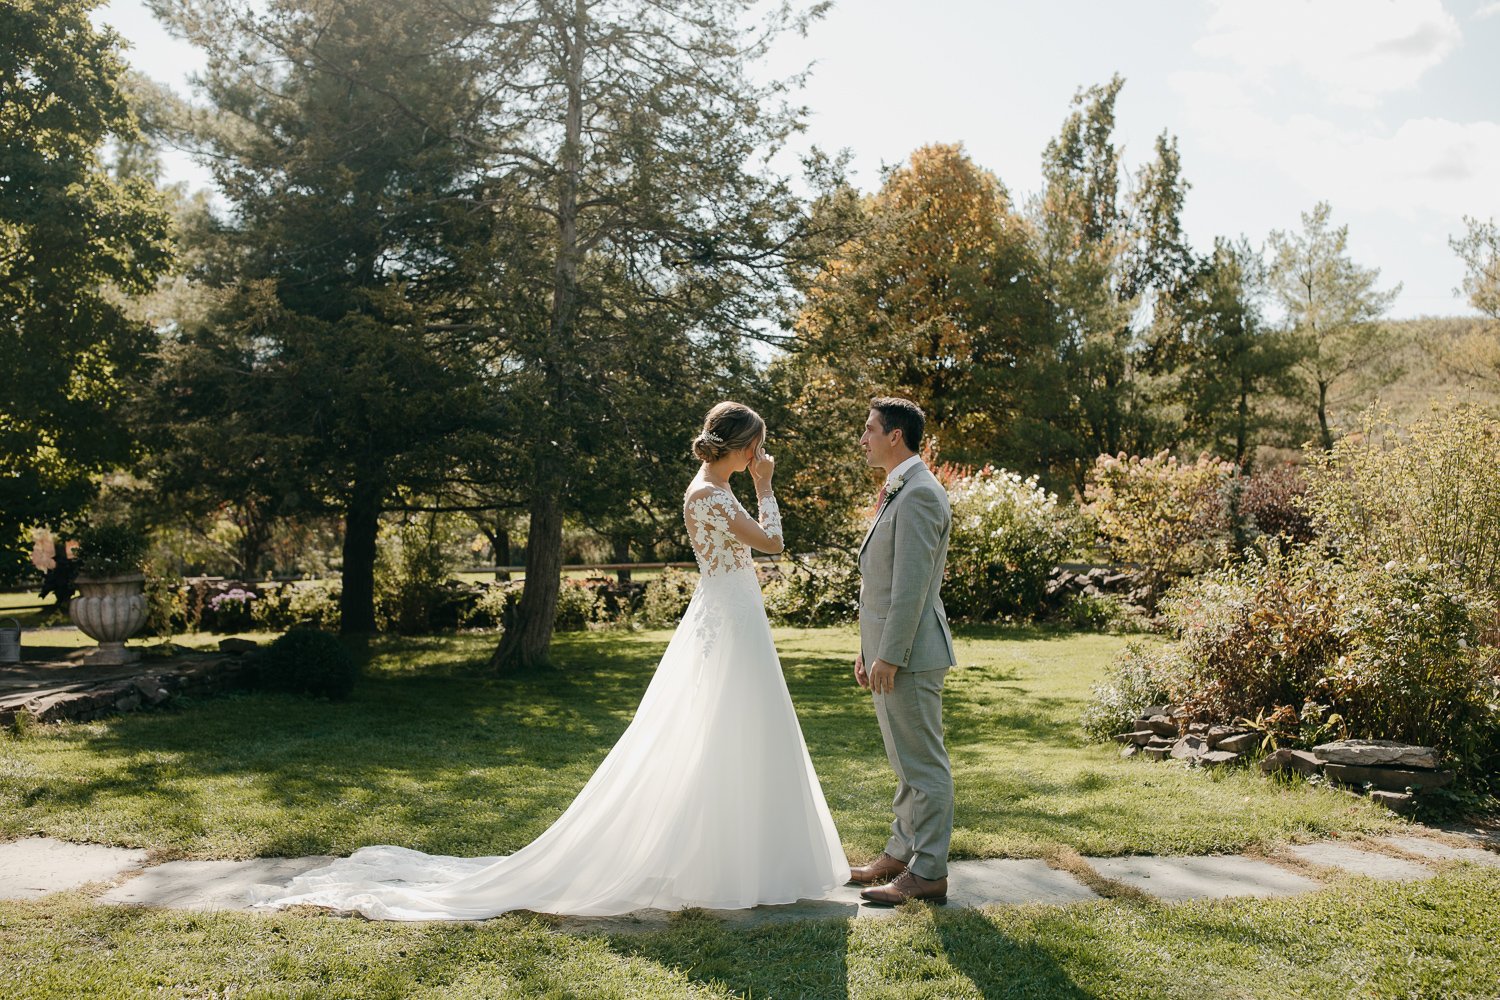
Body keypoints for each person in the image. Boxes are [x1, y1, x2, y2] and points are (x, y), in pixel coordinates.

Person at [250, 401, 848, 919]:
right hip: (730, 620)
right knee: (722, 728)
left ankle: (740, 860)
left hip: (731, 616)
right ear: (743, 447)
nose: (761, 456)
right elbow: (773, 543)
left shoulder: (711, 489)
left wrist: (753, 486)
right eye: (758, 448)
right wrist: (767, 488)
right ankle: (719, 864)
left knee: (739, 730)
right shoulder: (712, 495)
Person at [847, 396, 957, 906]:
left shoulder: (919, 495)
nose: (863, 438)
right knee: (904, 761)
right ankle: (900, 852)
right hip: (889, 650)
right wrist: (868, 651)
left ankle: (929, 871)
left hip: (911, 653)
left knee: (923, 764)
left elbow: (912, 588)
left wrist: (889, 655)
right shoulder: (900, 490)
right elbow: (883, 586)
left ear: (896, 436)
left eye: (870, 429)